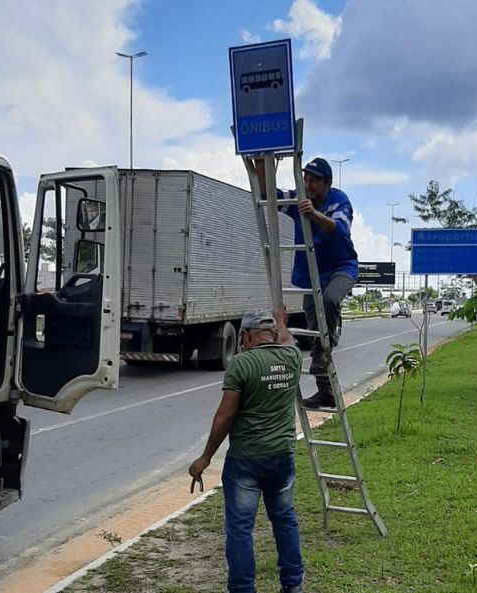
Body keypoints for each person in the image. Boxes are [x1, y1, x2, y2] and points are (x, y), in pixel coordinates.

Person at [189, 308, 304, 593]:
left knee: (240, 529)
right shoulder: (292, 357)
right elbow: (287, 338)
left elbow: (225, 416)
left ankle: (242, 589)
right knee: (285, 520)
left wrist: (205, 457)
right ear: (273, 334)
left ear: (246, 337)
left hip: (246, 462)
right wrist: (281, 320)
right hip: (282, 457)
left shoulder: (241, 364)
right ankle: (293, 585)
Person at [257, 157, 359, 409]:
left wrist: (313, 215)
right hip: (310, 275)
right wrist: (260, 164)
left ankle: (329, 342)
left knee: (330, 301)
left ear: (328, 183)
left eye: (314, 180)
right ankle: (326, 392)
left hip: (340, 268)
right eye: (305, 179)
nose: (308, 184)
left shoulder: (338, 200)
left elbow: (339, 228)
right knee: (315, 336)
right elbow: (270, 196)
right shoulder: (299, 198)